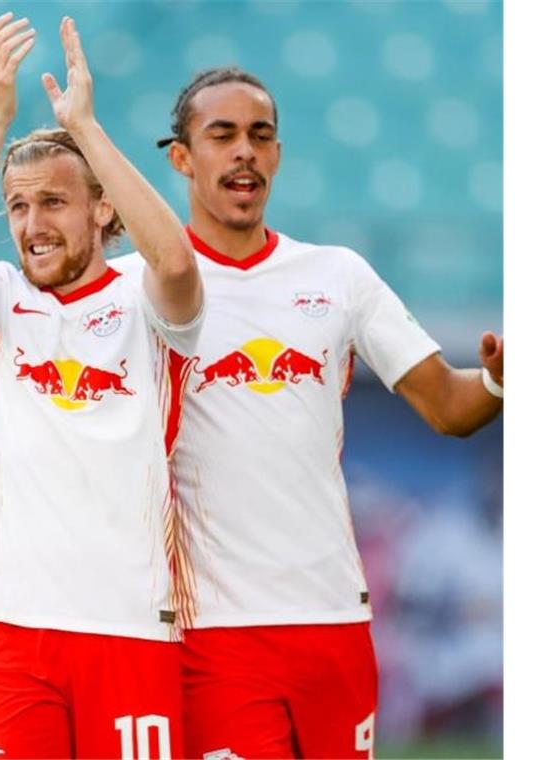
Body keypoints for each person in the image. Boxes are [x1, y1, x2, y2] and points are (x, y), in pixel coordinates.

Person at [149, 67, 504, 760]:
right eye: (222, 135)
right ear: (182, 158)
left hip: (334, 622)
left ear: (278, 155)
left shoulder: (337, 276)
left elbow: (450, 407)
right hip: (213, 629)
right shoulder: (139, 289)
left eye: (260, 135)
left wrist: (496, 380)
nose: (244, 151)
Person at [0, 15, 203, 759]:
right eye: (17, 207)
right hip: (4, 622)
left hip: (131, 619)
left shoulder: (144, 296)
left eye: (52, 201)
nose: (32, 224)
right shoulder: (2, 297)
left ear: (101, 206)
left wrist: (83, 125)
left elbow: (176, 264)